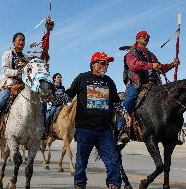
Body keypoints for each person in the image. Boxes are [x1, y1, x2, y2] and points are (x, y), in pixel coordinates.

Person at [65, 52, 131, 189]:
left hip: (104, 129)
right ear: (93, 64)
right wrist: (55, 96)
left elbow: (116, 103)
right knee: (81, 161)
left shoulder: (109, 81)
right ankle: (79, 184)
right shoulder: (82, 78)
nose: (105, 66)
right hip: (85, 128)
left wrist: (125, 114)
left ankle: (114, 184)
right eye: (102, 63)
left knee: (112, 160)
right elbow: (69, 95)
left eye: (107, 63)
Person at [118, 31, 180, 142]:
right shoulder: (131, 53)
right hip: (136, 84)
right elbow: (134, 65)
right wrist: (151, 65)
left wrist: (172, 65)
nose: (146, 38)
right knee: (130, 99)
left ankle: (172, 132)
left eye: (148, 37)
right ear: (137, 39)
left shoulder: (151, 55)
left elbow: (160, 68)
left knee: (170, 99)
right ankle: (122, 128)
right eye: (143, 36)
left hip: (153, 84)